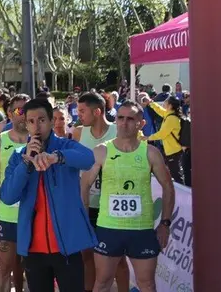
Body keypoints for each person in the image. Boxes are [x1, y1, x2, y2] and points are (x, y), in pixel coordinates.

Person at [1, 99, 98, 292]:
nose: (37, 126)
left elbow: (89, 159)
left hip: (67, 246)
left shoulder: (65, 146)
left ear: (52, 121)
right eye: (31, 121)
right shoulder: (19, 155)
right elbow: (8, 196)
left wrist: (57, 157)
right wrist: (26, 164)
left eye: (42, 120)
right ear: (26, 124)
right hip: (33, 249)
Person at [81, 101, 176, 292]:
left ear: (141, 123)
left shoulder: (150, 153)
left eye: (130, 119)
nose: (124, 123)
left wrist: (165, 223)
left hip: (141, 229)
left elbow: (168, 186)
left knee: (147, 284)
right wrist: (84, 221)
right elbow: (84, 185)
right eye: (120, 118)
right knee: (102, 282)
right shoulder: (101, 151)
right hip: (109, 228)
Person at [72, 92, 127, 292]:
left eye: (82, 111)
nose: (78, 115)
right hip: (86, 202)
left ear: (97, 112)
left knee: (118, 259)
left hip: (112, 206)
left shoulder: (118, 131)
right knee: (86, 254)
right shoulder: (78, 132)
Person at [0, 94, 30, 292]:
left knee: (32, 269)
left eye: (27, 110)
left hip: (33, 215)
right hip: (7, 216)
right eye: (19, 111)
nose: (23, 115)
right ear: (10, 114)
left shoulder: (41, 141)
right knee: (5, 268)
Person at [141, 96, 185, 184]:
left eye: (166, 101)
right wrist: (151, 103)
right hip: (172, 149)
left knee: (176, 175)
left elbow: (162, 134)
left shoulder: (171, 119)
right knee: (174, 173)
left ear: (170, 106)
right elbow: (160, 110)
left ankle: (183, 191)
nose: (163, 103)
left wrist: (148, 137)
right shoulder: (169, 114)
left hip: (173, 150)